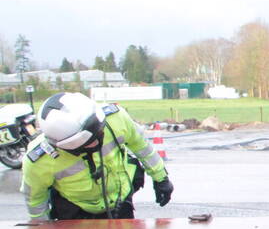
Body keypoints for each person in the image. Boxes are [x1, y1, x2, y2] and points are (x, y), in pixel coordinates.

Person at [21, 92, 173, 220]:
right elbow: (35, 202)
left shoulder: (115, 118)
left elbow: (142, 146)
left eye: (99, 134)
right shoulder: (38, 160)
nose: (96, 143)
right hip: (75, 213)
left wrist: (161, 178)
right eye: (88, 142)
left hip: (120, 201)